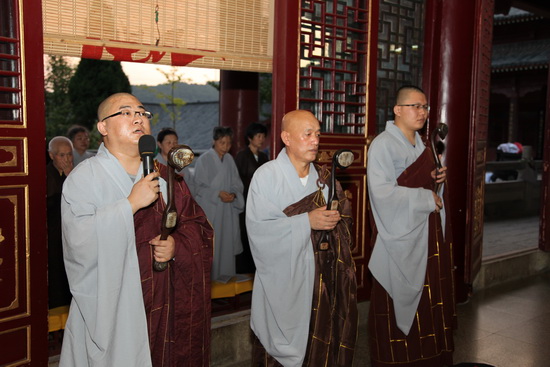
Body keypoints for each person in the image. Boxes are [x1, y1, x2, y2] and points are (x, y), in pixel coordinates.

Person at [60, 93, 214, 366]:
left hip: (166, 300)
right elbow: (78, 241)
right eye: (126, 112)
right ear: (103, 128)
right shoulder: (85, 177)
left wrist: (177, 245)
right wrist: (129, 204)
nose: (138, 119)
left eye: (142, 113)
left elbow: (197, 226)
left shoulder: (168, 176)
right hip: (116, 304)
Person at [246, 110, 357, 367]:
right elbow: (260, 233)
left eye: (317, 134)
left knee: (320, 343)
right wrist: (306, 221)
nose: (315, 141)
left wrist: (336, 221)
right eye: (307, 134)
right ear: (286, 137)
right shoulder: (266, 177)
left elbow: (345, 224)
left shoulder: (324, 179)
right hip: (284, 283)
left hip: (323, 279)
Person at [367, 85, 455, 366]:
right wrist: (423, 196)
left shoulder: (424, 144)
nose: (423, 112)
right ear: (397, 110)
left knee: (430, 299)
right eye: (415, 106)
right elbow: (381, 193)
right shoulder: (383, 144)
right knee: (394, 303)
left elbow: (428, 190)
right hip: (399, 239)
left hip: (425, 234)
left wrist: (436, 181)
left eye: (426, 107)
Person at [193, 126, 245, 281]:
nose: (226, 147)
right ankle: (211, 281)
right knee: (213, 246)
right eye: (222, 142)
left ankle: (226, 279)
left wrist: (234, 194)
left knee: (226, 245)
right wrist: (217, 194)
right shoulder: (204, 159)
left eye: (228, 143)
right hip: (212, 210)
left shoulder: (229, 159)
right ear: (214, 141)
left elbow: (237, 183)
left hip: (227, 209)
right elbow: (198, 186)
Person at [234, 122, 269, 274]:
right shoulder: (242, 156)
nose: (261, 139)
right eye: (258, 136)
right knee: (244, 232)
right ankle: (243, 269)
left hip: (260, 199)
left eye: (263, 136)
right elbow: (237, 180)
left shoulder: (263, 156)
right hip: (246, 198)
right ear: (250, 138)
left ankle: (257, 266)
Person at [46, 136, 73, 309]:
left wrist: (72, 177)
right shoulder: (45, 175)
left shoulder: (77, 173)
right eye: (61, 155)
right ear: (51, 155)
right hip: (53, 237)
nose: (66, 159)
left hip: (71, 235)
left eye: (69, 155)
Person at [155, 127, 195, 194]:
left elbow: (191, 185)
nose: (172, 146)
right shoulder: (154, 164)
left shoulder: (182, 163)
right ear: (159, 144)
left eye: (175, 142)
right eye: (169, 143)